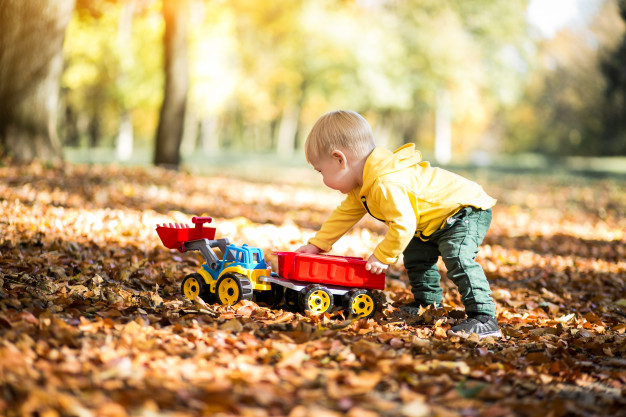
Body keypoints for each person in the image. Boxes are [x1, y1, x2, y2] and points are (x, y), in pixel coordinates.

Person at [296, 110, 501, 338]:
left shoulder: (385, 182)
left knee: (457, 257)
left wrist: (382, 254)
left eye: (321, 171)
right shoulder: (364, 184)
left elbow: (404, 224)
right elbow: (344, 215)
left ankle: (484, 317)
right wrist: (317, 245)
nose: (322, 178)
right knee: (416, 256)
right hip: (431, 221)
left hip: (463, 211)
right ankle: (427, 305)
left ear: (339, 159)